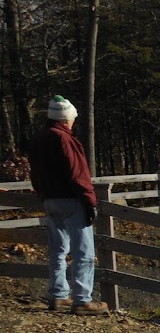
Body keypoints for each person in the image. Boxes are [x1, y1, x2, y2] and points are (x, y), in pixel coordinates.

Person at [27, 96, 108, 316]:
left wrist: (42, 195)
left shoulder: (38, 139)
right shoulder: (65, 139)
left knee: (58, 250)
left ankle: (58, 294)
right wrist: (90, 201)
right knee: (84, 252)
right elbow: (78, 173)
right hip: (71, 200)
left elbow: (34, 172)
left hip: (50, 200)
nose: (73, 122)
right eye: (72, 118)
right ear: (65, 119)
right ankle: (82, 299)